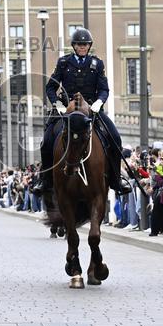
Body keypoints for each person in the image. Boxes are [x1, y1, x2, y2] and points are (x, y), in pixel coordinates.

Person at [34, 27, 128, 198]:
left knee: (115, 137)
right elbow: (50, 87)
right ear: (74, 46)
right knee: (47, 141)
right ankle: (45, 180)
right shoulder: (64, 63)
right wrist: (57, 104)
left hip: (91, 110)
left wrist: (99, 102)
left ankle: (116, 179)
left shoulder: (97, 64)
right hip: (66, 111)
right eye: (79, 44)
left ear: (89, 45)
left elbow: (104, 89)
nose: (82, 47)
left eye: (85, 44)